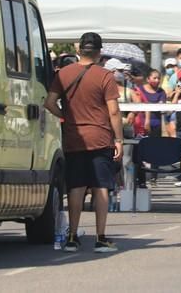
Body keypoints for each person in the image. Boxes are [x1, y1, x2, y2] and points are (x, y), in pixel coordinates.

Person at [44, 32, 122, 253]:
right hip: (100, 138)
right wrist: (119, 139)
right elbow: (114, 111)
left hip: (73, 137)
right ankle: (101, 238)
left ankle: (71, 237)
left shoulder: (63, 74)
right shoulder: (105, 76)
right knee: (101, 187)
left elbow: (49, 103)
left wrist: (66, 117)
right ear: (99, 52)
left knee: (76, 187)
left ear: (79, 50)